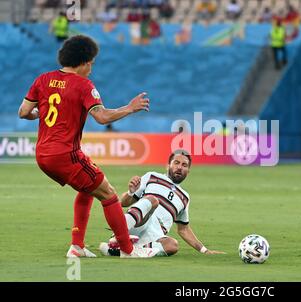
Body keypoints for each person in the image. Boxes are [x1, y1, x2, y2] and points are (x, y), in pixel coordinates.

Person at [18, 35, 156, 258]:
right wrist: (129, 108)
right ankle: (128, 251)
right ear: (82, 62)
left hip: (43, 155)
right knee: (109, 194)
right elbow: (101, 117)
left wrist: (39, 113)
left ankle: (77, 246)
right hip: (65, 154)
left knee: (87, 189)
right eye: (91, 63)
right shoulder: (84, 85)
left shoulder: (43, 79)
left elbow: (24, 112)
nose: (91, 68)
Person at [99, 150, 226, 257]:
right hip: (139, 223)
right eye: (176, 163)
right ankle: (120, 234)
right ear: (168, 165)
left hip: (156, 234)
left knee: (173, 245)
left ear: (188, 171)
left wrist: (204, 250)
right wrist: (131, 193)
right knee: (153, 201)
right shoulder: (152, 176)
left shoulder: (185, 198)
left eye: (184, 165)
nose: (180, 167)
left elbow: (183, 229)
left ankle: (125, 250)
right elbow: (123, 203)